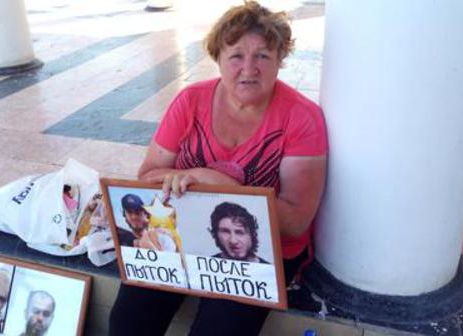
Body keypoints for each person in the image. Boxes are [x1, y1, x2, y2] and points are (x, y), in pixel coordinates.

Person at [109, 1, 327, 335]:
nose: (249, 68)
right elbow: (149, 175)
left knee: (219, 328)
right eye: (237, 55)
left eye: (263, 56)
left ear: (280, 61)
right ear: (218, 59)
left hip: (264, 251)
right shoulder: (190, 101)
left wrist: (212, 181)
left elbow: (296, 221)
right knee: (129, 318)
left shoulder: (301, 117)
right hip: (183, 236)